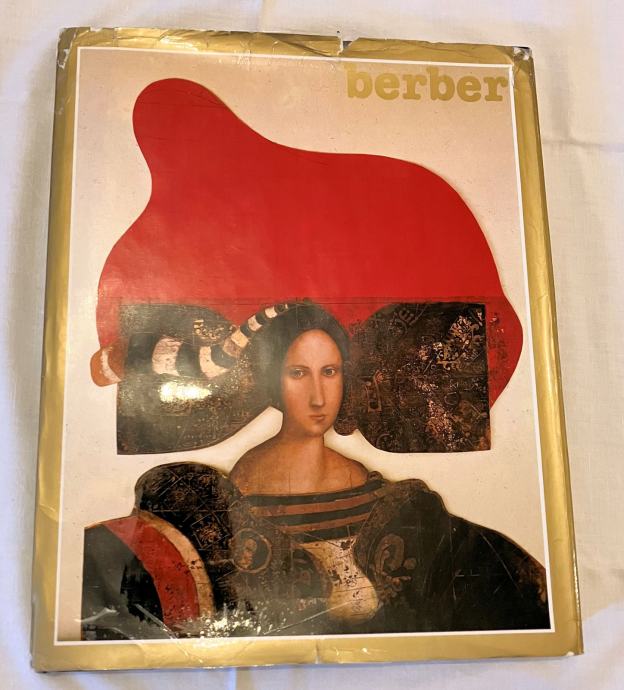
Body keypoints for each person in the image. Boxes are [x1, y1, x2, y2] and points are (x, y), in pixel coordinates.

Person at [82, 305, 549, 640]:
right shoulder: (223, 498)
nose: (319, 397)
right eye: (298, 373)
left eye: (330, 371)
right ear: (273, 378)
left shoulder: (395, 503)